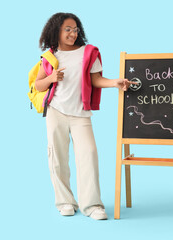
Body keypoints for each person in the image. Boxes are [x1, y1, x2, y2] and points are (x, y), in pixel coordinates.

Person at [35, 12, 134, 220]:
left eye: (75, 29)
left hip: (80, 113)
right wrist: (52, 77)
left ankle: (93, 205)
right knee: (57, 158)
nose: (73, 33)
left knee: (89, 154)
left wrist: (114, 82)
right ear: (57, 31)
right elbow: (38, 85)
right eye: (68, 29)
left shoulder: (89, 52)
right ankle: (65, 202)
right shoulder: (50, 56)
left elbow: (96, 80)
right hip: (56, 110)